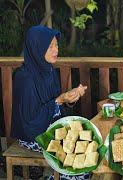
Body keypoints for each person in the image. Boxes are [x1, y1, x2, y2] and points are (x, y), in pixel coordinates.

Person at [11, 25, 88, 179]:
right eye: (50, 46)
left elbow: (55, 103)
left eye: (57, 45)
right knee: (74, 151)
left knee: (86, 140)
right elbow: (30, 122)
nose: (56, 50)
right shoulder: (24, 78)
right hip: (31, 135)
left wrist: (69, 99)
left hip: (50, 126)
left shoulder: (49, 70)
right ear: (37, 48)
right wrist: (60, 100)